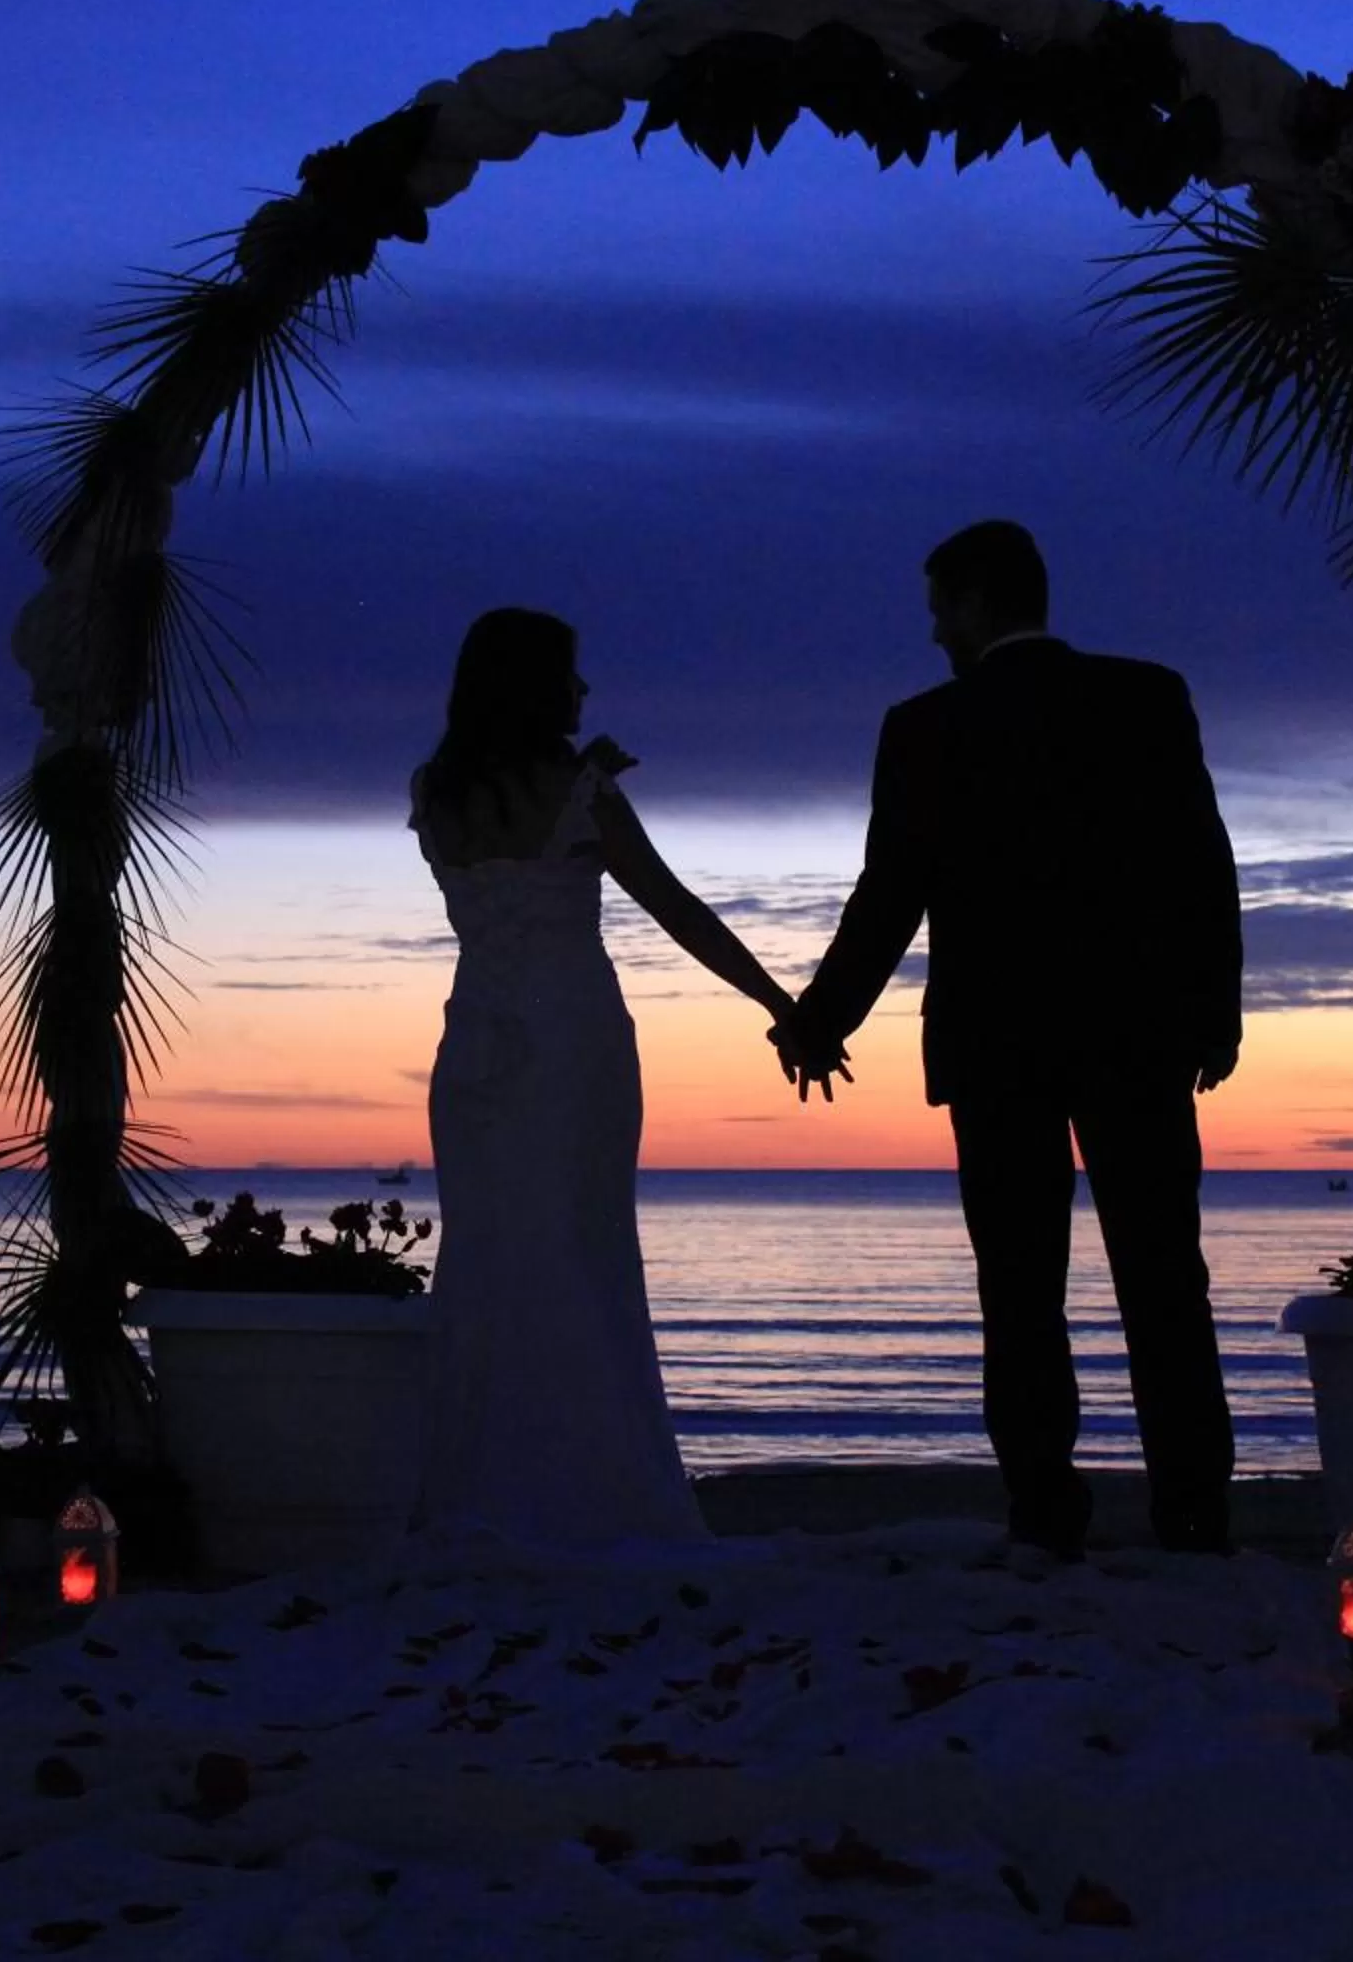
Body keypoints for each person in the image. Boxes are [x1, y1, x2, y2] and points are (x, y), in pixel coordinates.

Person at [777, 521, 1245, 1558]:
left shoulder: (926, 727)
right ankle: (1193, 1513)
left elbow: (889, 896)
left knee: (1021, 1291)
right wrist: (1217, 1011)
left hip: (998, 1046)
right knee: (1166, 1280)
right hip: (1138, 1036)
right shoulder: (1146, 697)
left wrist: (819, 1021)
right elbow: (1203, 866)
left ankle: (1043, 1512)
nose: (934, 631)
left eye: (940, 608)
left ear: (978, 603)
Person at [407, 607, 795, 1546]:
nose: (583, 690)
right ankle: (590, 1493)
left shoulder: (434, 791)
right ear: (535, 687)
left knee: (491, 1260)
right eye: (569, 675)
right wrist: (780, 1002)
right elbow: (679, 911)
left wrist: (586, 776)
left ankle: (486, 1486)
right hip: (572, 1045)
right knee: (583, 1255)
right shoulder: (583, 795)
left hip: (476, 1052)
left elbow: (510, 839)